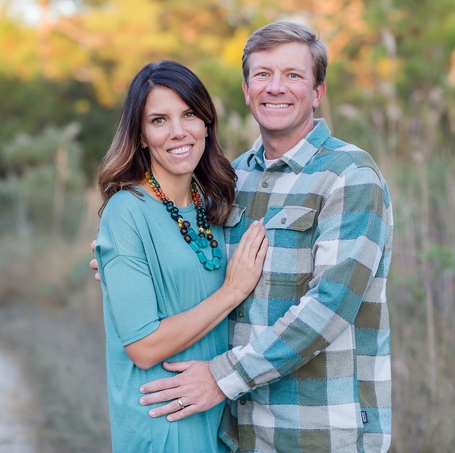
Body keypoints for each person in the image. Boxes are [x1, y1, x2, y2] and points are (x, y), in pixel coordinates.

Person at [137, 22, 394, 453]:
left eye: (293, 75)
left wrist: (221, 377)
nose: (276, 87)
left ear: (317, 93)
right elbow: (193, 259)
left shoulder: (350, 176)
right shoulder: (231, 177)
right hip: (242, 432)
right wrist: (127, 260)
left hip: (321, 432)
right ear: (246, 89)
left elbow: (329, 308)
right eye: (263, 74)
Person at [93, 59, 268, 453]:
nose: (178, 132)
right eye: (159, 120)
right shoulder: (128, 212)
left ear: (206, 123)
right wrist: (231, 291)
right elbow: (144, 346)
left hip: (216, 416)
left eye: (189, 114)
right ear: (140, 135)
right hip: (161, 420)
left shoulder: (213, 204)